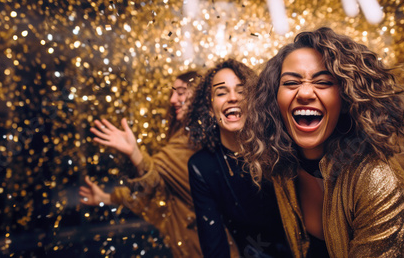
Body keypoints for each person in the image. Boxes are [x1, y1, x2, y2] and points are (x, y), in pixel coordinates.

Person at [241, 27, 404, 257]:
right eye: (291, 83)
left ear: (346, 99)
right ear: (275, 101)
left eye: (323, 82)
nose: (304, 93)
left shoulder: (379, 180)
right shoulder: (281, 165)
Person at [79, 71, 205, 257]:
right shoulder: (185, 136)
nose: (172, 99)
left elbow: (155, 183)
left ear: (199, 95)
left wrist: (135, 153)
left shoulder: (194, 141)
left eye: (180, 92)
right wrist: (108, 198)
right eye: (172, 93)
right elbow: (161, 196)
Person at [186, 59, 291, 257]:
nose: (233, 98)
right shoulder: (203, 167)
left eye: (242, 91)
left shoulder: (280, 145)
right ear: (210, 108)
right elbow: (214, 245)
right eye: (221, 92)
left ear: (254, 100)